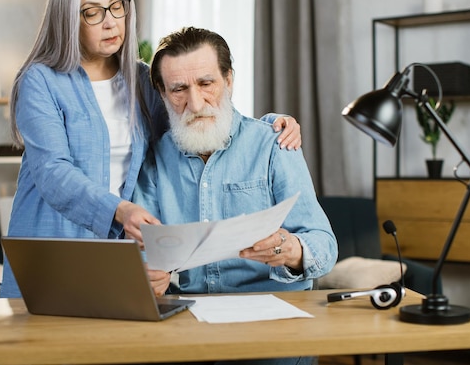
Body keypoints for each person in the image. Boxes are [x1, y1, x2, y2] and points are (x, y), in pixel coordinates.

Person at [0, 0, 302, 298]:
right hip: (52, 241)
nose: (111, 22)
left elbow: (192, 122)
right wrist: (118, 210)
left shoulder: (142, 79)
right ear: (67, 18)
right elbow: (52, 171)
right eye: (92, 12)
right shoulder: (40, 81)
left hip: (119, 249)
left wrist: (267, 128)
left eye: (116, 7)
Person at [133, 27, 337, 365]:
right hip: (186, 325)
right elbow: (140, 249)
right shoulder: (153, 159)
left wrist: (292, 249)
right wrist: (148, 274)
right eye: (179, 89)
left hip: (271, 325)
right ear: (162, 93)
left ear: (229, 81)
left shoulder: (275, 144)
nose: (195, 103)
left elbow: (324, 245)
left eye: (206, 83)